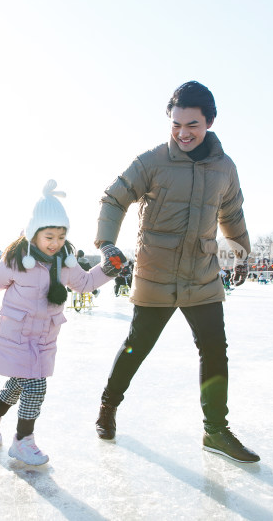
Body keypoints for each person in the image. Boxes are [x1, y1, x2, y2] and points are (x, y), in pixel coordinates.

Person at [93, 81, 260, 463]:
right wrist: (106, 243)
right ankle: (108, 406)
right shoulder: (152, 162)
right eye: (176, 125)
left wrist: (241, 254)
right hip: (156, 271)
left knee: (215, 350)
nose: (183, 133)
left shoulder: (224, 167)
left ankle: (216, 431)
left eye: (192, 125)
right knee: (137, 346)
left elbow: (231, 214)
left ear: (210, 122)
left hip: (202, 272)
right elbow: (113, 198)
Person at [0, 180, 117, 465]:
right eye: (49, 236)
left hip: (45, 335)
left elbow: (85, 283)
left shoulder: (66, 262)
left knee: (19, 383)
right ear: (35, 233)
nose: (55, 243)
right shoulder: (17, 259)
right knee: (35, 387)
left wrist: (108, 269)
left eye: (61, 237)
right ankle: (23, 441)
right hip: (16, 333)